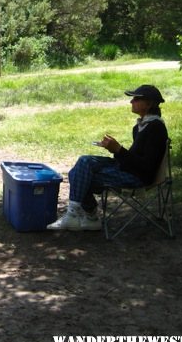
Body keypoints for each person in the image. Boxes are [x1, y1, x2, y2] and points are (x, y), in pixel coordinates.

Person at [48, 84, 168, 231]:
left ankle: (82, 216)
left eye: (136, 99)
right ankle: (85, 217)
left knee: (78, 175)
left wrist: (118, 150)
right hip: (129, 169)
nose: (131, 102)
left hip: (139, 178)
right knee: (85, 161)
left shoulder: (156, 128)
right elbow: (133, 158)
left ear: (149, 104)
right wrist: (115, 150)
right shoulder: (139, 127)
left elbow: (147, 166)